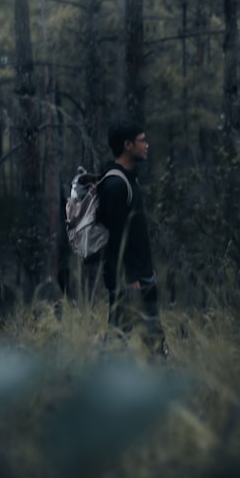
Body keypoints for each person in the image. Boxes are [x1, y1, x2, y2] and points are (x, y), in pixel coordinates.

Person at [96, 121, 168, 358]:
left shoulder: (129, 179)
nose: (147, 145)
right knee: (119, 337)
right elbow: (114, 239)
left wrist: (146, 270)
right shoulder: (116, 184)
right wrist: (130, 278)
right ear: (127, 145)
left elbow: (134, 232)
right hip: (128, 280)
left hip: (141, 275)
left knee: (148, 335)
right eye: (142, 140)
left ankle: (157, 377)